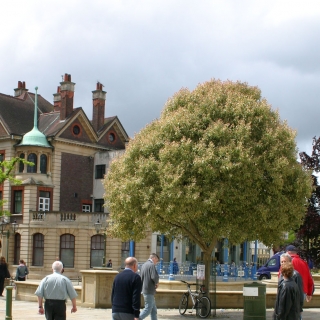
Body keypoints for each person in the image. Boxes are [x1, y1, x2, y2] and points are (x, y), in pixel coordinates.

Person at [278, 253, 304, 318]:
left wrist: (300, 308)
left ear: (290, 262)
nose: (283, 263)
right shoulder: (281, 274)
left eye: (285, 261)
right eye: (282, 262)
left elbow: (300, 293)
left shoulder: (296, 275)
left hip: (292, 310)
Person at [139, 253, 159, 320]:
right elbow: (154, 276)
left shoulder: (144, 265)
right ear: (154, 258)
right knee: (148, 309)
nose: (156, 263)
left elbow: (141, 277)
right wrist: (157, 283)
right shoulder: (151, 265)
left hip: (144, 289)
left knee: (153, 310)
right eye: (157, 261)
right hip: (149, 290)